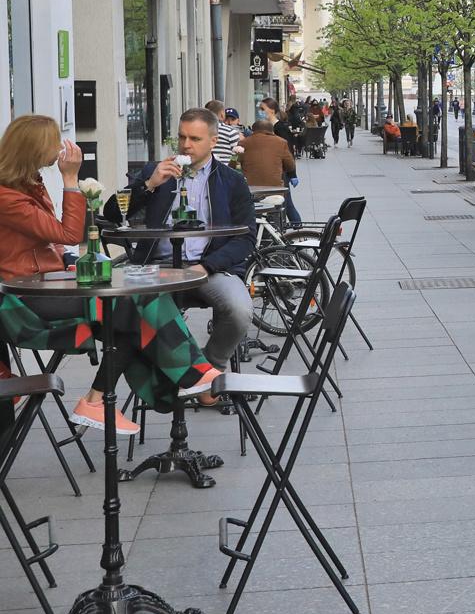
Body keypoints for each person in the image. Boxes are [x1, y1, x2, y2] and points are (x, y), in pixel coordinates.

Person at [0, 116, 219, 434]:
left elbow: (56, 244)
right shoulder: (7, 196)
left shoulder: (28, 184)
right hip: (26, 299)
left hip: (52, 282)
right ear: (33, 148)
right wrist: (72, 181)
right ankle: (189, 374)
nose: (62, 147)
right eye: (53, 141)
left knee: (139, 300)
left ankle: (99, 397)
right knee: (130, 306)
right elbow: (69, 232)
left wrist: (72, 261)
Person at [125, 108, 258, 371]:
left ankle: (210, 369)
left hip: (209, 268)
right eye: (182, 137)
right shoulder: (157, 172)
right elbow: (111, 212)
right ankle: (183, 375)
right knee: (131, 307)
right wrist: (149, 184)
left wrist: (207, 266)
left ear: (213, 141)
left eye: (195, 139)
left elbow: (246, 238)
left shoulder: (231, 180)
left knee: (239, 310)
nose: (186, 145)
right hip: (159, 267)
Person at [239, 119, 299, 223]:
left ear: (253, 130)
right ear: (272, 131)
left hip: (251, 190)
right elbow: (290, 166)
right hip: (275, 190)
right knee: (276, 218)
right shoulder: (281, 142)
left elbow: (234, 164)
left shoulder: (243, 143)